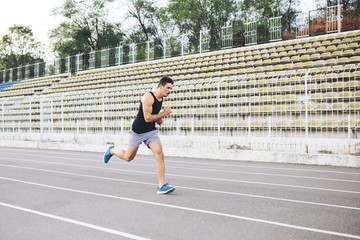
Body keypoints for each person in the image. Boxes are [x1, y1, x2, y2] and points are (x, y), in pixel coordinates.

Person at [103, 76, 175, 194]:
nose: (169, 91)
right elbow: (147, 118)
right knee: (128, 157)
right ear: (161, 86)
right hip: (138, 131)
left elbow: (152, 115)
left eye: (171, 89)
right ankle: (111, 150)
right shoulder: (148, 97)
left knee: (160, 154)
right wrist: (164, 114)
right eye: (168, 88)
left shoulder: (161, 98)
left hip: (151, 132)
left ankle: (161, 186)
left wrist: (159, 120)